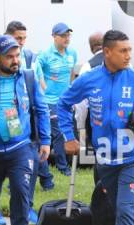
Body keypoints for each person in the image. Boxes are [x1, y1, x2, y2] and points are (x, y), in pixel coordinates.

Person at [57, 30, 134, 225]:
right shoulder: (89, 78)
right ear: (107, 52)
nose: (128, 55)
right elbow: (63, 104)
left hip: (133, 159)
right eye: (123, 51)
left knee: (125, 210)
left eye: (129, 50)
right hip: (105, 161)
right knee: (118, 209)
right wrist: (69, 136)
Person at [0, 20, 53, 225]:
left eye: (17, 55)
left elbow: (42, 109)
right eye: (9, 57)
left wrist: (45, 140)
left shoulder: (28, 78)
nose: (15, 60)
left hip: (20, 147)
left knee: (21, 191)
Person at [36, 22, 78, 176]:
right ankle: (62, 167)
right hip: (49, 101)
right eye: (63, 35)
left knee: (67, 131)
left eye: (68, 35)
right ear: (54, 36)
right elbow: (36, 69)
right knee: (59, 133)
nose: (66, 38)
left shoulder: (72, 53)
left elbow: (72, 72)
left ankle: (52, 164)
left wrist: (71, 90)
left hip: (65, 101)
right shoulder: (45, 54)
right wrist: (42, 85)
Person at [75, 31, 104, 184]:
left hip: (97, 122)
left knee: (100, 157)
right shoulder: (124, 62)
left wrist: (80, 127)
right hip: (122, 121)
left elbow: (81, 102)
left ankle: (101, 192)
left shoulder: (88, 66)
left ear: (91, 47)